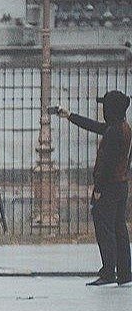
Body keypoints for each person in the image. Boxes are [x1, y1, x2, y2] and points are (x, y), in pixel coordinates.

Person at [52, 91, 131, 286]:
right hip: (121, 185)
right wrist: (70, 115)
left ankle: (108, 272)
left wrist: (98, 189)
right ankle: (124, 272)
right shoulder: (123, 128)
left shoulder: (113, 132)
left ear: (111, 108)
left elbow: (107, 164)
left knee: (105, 229)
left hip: (109, 186)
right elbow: (95, 126)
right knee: (119, 228)